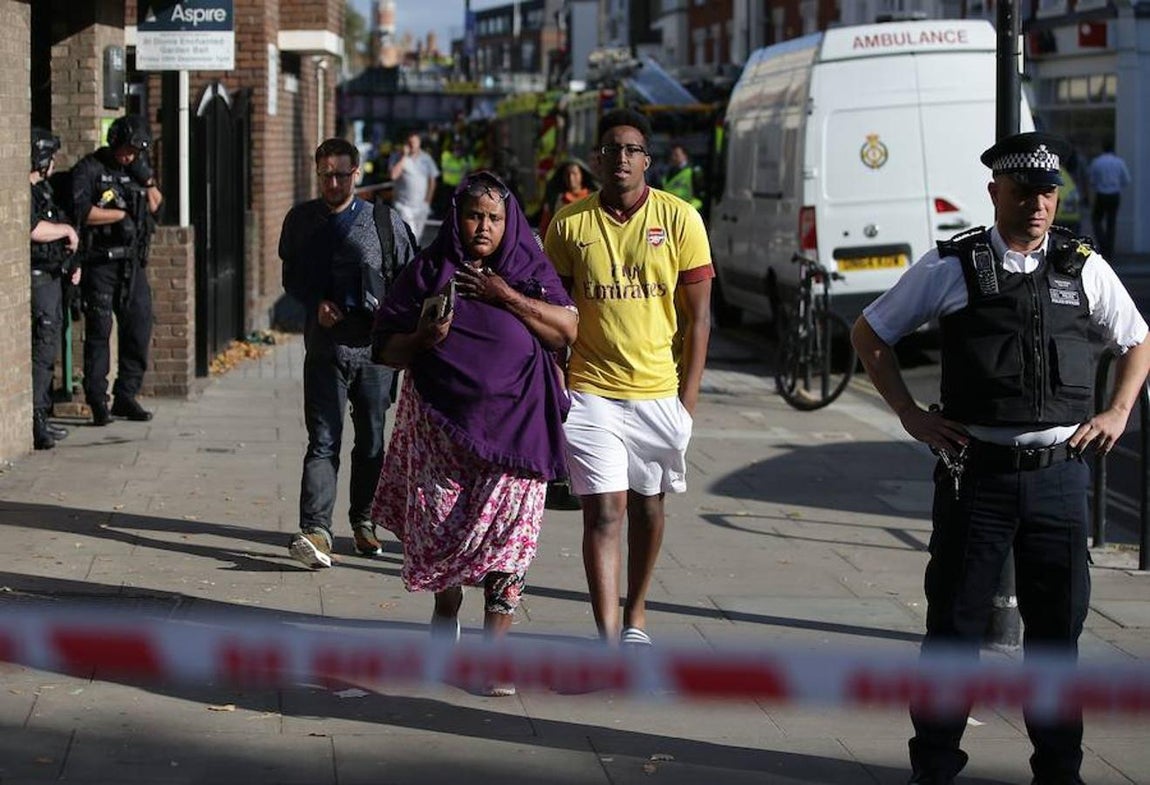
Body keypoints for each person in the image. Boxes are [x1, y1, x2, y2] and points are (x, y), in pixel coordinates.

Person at [850, 131, 1150, 785]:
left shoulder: (1082, 267)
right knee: (954, 628)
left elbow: (1138, 340)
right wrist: (908, 411)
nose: (1039, 204)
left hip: (1059, 479)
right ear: (995, 193)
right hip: (976, 475)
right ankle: (933, 764)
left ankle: (1059, 769)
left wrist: (1118, 411)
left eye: (1048, 192)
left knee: (1056, 636)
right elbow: (871, 331)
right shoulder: (952, 267)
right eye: (1024, 192)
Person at [371, 171, 577, 691]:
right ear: (457, 217)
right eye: (473, 215)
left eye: (494, 218)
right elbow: (385, 350)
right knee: (445, 531)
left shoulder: (528, 268)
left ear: (509, 223)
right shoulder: (428, 269)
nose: (483, 226)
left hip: (520, 432)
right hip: (443, 435)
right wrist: (423, 336)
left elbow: (566, 328)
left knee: (511, 542)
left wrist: (505, 295)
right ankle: (447, 607)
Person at [544, 108, 713, 646]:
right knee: (605, 509)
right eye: (611, 149)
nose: (621, 158)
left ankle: (636, 613)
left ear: (647, 160)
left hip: (659, 391)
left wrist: (687, 400)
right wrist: (557, 385)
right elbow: (553, 312)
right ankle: (608, 635)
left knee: (648, 505)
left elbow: (700, 318)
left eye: (632, 150)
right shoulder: (570, 225)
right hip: (590, 390)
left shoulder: (680, 218)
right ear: (597, 159)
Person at [279, 138, 418, 569]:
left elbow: (409, 277)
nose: (333, 182)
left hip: (375, 353)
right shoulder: (301, 221)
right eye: (326, 175)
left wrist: (391, 315)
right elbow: (292, 277)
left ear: (356, 174)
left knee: (372, 440)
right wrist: (315, 301)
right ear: (317, 173)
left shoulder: (383, 222)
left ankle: (364, 522)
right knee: (323, 440)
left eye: (342, 174)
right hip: (325, 349)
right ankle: (316, 530)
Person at [71, 115, 163, 425]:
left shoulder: (136, 172)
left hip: (132, 264)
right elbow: (80, 211)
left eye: (135, 152)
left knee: (139, 324)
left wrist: (147, 179)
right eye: (126, 150)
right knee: (99, 332)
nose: (129, 156)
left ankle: (127, 395)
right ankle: (97, 399)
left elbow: (156, 206)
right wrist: (117, 215)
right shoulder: (91, 169)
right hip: (101, 263)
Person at [29, 127, 81, 450]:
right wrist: (64, 230)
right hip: (38, 280)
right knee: (42, 349)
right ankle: (36, 421)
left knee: (48, 352)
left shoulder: (44, 190)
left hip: (52, 277)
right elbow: (33, 229)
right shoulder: (26, 192)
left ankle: (43, 415)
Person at [388, 131, 439, 243]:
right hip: (403, 205)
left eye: (414, 142)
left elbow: (432, 179)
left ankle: (413, 257)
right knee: (410, 234)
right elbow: (393, 175)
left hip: (421, 205)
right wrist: (403, 157)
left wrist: (427, 201)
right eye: (409, 142)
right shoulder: (397, 156)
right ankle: (408, 259)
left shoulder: (426, 158)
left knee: (417, 237)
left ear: (419, 143)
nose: (412, 145)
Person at [1087, 139, 1131, 258]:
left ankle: (1103, 244)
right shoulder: (1119, 162)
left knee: (1096, 220)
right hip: (1114, 194)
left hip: (1101, 194)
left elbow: (1091, 180)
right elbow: (1126, 179)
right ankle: (1109, 249)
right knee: (1111, 222)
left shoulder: (1097, 162)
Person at [538, 159, 594, 239]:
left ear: (582, 175)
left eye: (574, 174)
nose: (571, 178)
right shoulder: (555, 201)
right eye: (567, 174)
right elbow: (543, 230)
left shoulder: (593, 198)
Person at [659, 143, 704, 212]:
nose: (673, 158)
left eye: (676, 155)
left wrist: (690, 209)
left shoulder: (693, 171)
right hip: (669, 209)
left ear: (685, 156)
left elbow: (700, 196)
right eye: (672, 155)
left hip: (687, 210)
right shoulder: (667, 172)